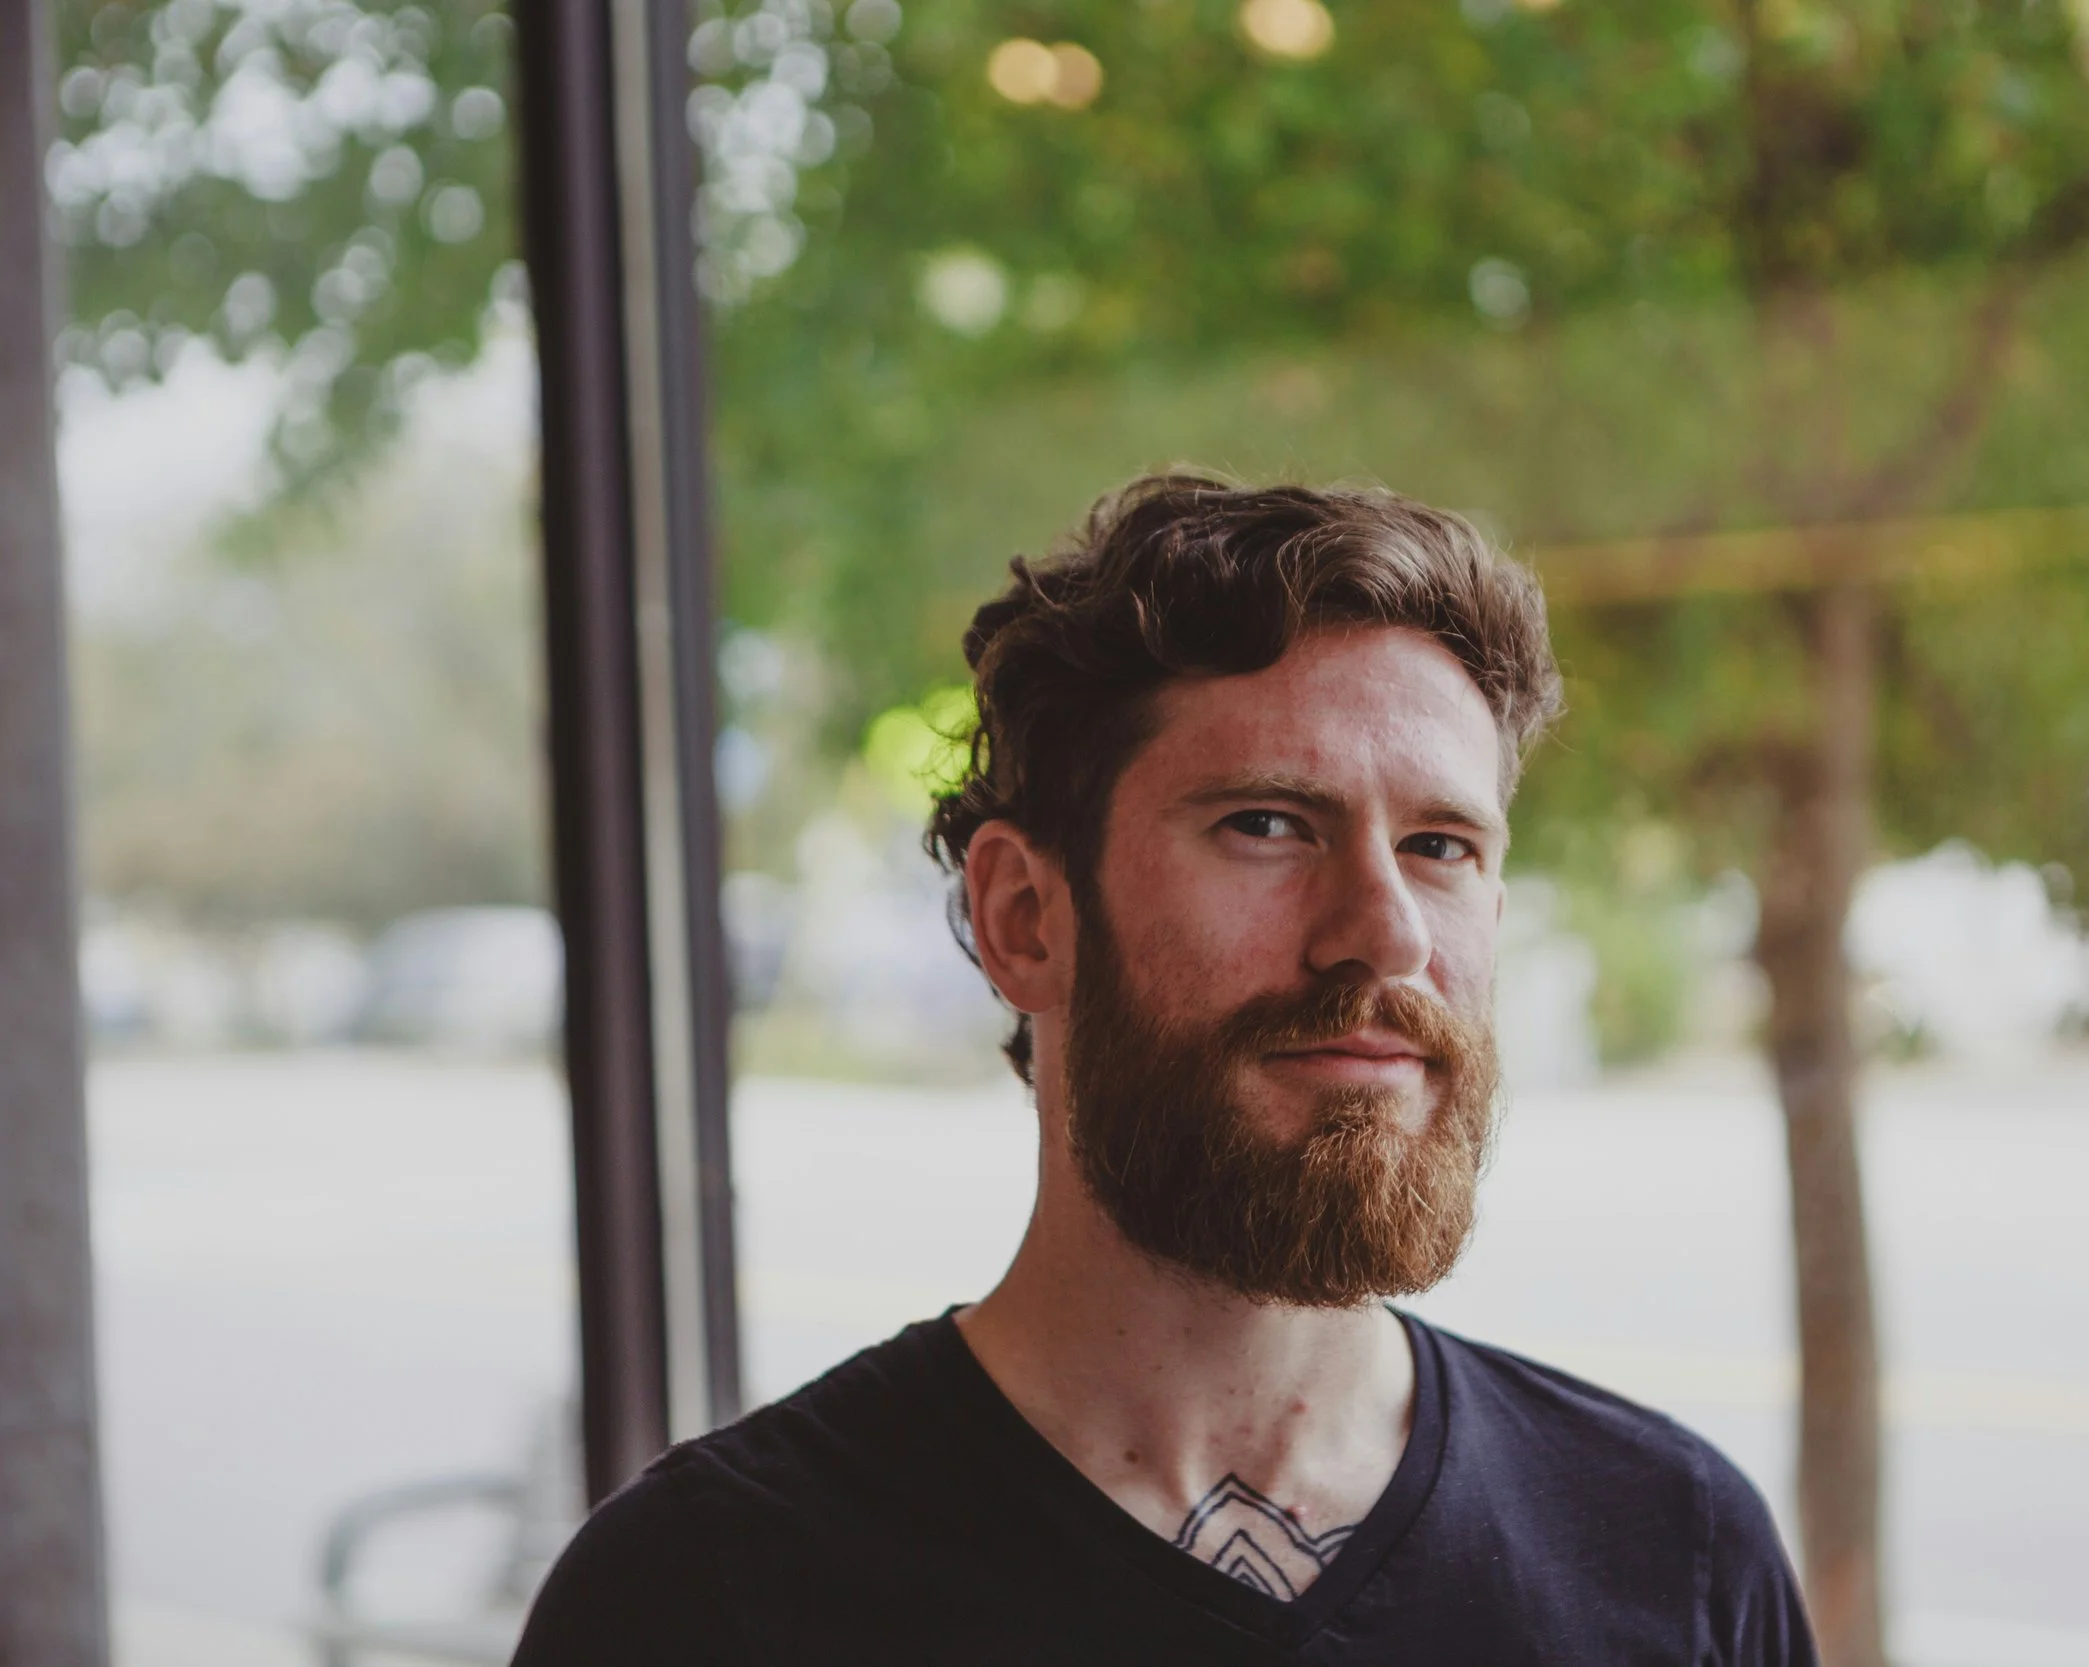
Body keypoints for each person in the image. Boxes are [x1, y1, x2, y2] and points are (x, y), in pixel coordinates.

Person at [510, 475, 1816, 1665]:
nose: (1386, 931)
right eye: (1266, 824)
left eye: (1440, 845)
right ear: (1026, 915)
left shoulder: (1674, 1554)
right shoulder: (703, 1598)